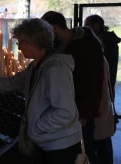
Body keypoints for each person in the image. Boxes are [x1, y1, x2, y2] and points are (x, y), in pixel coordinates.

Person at [0, 18, 82, 164]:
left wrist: (36, 127)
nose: (18, 47)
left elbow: (65, 112)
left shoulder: (55, 69)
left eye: (20, 42)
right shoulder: (36, 66)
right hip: (50, 142)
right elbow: (12, 82)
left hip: (61, 146)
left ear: (32, 41)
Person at [42, 11, 104, 164]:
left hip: (80, 111)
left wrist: (83, 116)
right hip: (62, 110)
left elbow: (95, 83)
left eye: (46, 31)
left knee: (85, 151)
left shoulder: (88, 44)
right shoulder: (55, 45)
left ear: (54, 28)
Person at [84, 14, 121, 99]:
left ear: (96, 26)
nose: (84, 28)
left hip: (103, 84)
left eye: (87, 25)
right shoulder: (106, 40)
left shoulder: (106, 42)